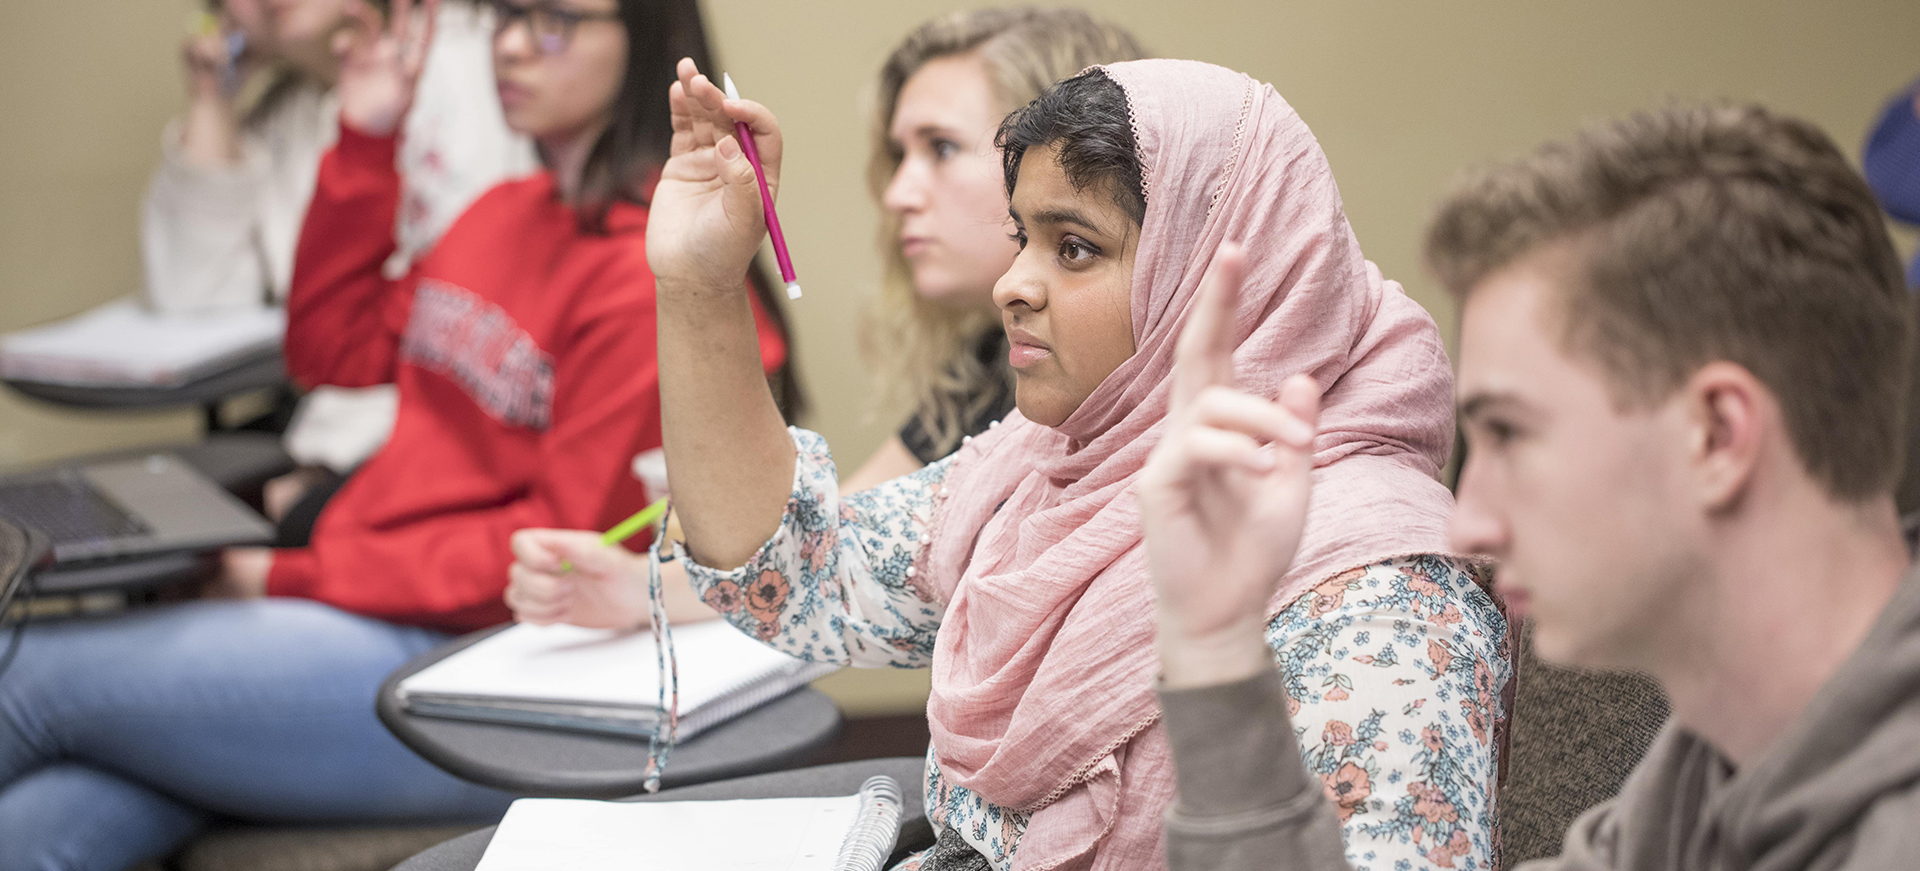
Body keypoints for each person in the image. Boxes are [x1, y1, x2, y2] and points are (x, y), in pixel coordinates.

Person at [640, 56, 1506, 869]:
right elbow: (801, 574)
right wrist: (699, 282)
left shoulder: (1384, 598)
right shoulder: (1050, 464)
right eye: (1022, 236)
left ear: (1209, 275)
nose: (1013, 283)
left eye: (1075, 247)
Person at [0, 0, 789, 868]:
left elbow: (550, 552)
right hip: (363, 608)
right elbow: (328, 346)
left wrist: (285, 576)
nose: (516, 45)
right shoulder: (501, 212)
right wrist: (367, 136)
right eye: (507, 17)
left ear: (651, 43)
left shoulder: (655, 274)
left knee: (24, 678)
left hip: (475, 665)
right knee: (43, 826)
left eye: (555, 20)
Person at [1141, 102, 1920, 870]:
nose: (1467, 525)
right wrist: (1214, 650)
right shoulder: (1710, 768)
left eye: (1509, 433)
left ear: (1717, 434)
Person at [505, 6, 1145, 628]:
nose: (897, 194)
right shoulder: (989, 363)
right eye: (900, 155)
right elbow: (826, 553)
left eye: (942, 148)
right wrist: (632, 590)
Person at [143, 0, 537, 526]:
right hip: (342, 430)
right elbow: (198, 294)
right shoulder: (290, 116)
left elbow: (473, 324)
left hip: (455, 443)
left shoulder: (484, 58)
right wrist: (211, 100)